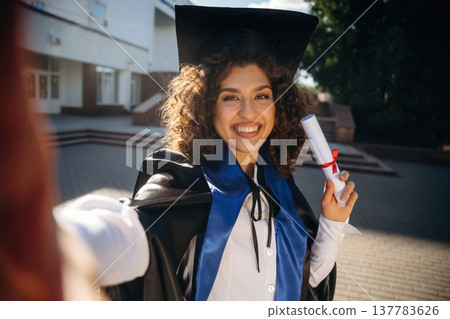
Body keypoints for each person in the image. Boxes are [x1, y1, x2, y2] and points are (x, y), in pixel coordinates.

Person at [99, 5, 359, 301]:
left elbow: (306, 281)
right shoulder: (179, 184)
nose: (249, 112)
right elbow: (128, 246)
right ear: (205, 106)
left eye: (262, 95)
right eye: (230, 97)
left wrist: (332, 223)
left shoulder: (280, 185)